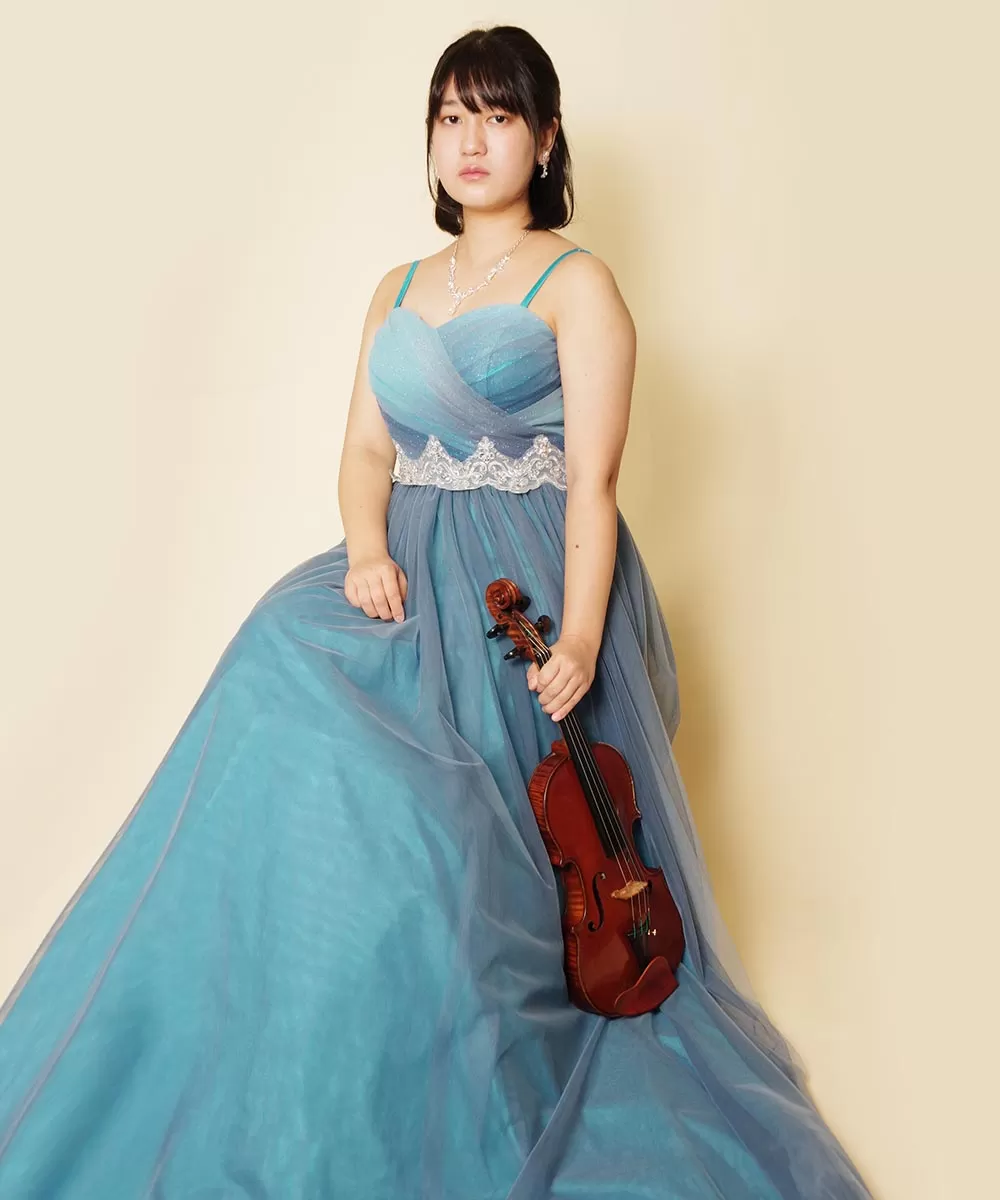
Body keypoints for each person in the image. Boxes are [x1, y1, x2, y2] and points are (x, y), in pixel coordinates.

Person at [0, 23, 875, 1200]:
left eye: (497, 116)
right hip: (406, 562)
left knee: (457, 842)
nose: (470, 140)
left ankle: (463, 1042)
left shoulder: (578, 284)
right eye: (451, 117)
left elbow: (594, 484)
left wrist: (578, 637)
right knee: (274, 662)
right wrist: (365, 550)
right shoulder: (398, 289)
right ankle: (255, 1022)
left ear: (544, 140)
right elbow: (366, 452)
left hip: (526, 578)